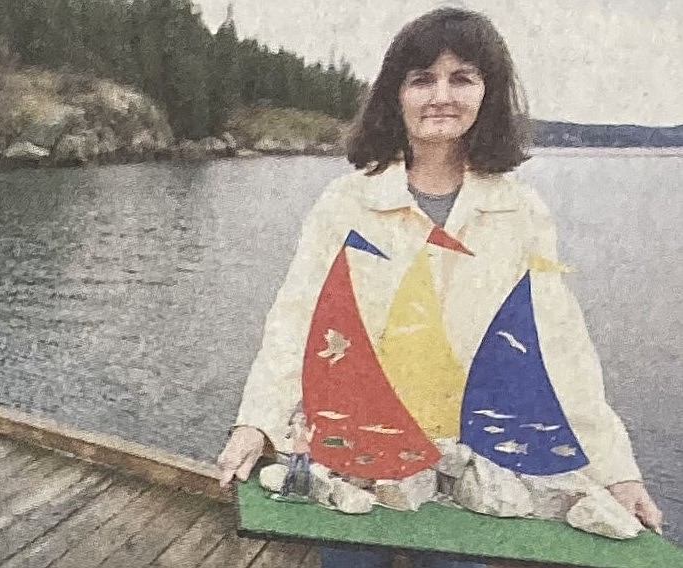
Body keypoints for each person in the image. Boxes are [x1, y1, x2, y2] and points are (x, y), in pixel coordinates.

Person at [217, 7, 663, 568]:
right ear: (395, 94)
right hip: (354, 442)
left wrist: (615, 470)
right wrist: (255, 421)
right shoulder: (345, 202)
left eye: (462, 78)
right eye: (422, 79)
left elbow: (561, 346)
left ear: (488, 92)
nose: (441, 96)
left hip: (467, 457)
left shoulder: (520, 210)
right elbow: (296, 318)